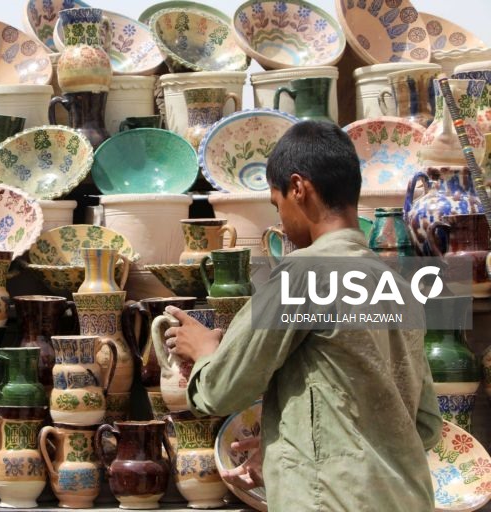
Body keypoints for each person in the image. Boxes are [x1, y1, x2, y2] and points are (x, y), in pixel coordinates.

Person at [163, 121, 442, 511]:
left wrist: (205, 350)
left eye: (277, 205)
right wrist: (292, 447)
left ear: (299, 188)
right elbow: (425, 426)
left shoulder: (304, 273)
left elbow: (219, 390)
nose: (281, 222)